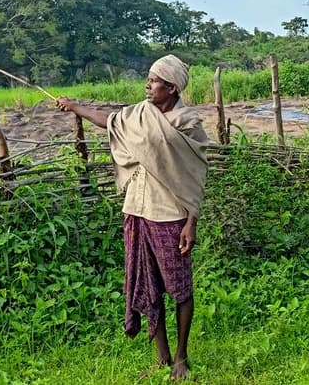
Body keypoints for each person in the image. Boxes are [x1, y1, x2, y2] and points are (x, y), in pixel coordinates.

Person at [55, 54, 209, 380]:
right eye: (149, 79)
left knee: (180, 288)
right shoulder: (140, 114)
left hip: (170, 217)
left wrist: (191, 222)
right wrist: (74, 106)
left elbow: (195, 177)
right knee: (149, 287)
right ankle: (162, 356)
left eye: (154, 81)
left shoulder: (187, 124)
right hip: (137, 211)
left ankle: (182, 358)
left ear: (171, 87)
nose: (147, 85)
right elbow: (108, 119)